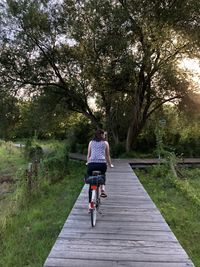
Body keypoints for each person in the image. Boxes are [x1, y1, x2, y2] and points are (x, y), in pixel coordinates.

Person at [86, 129, 113, 203]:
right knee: (103, 174)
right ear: (101, 135)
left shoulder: (91, 142)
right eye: (104, 134)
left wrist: (88, 162)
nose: (105, 136)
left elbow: (89, 155)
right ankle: (102, 189)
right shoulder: (105, 143)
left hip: (91, 164)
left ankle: (89, 205)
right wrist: (110, 164)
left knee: (91, 183)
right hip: (102, 164)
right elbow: (107, 156)